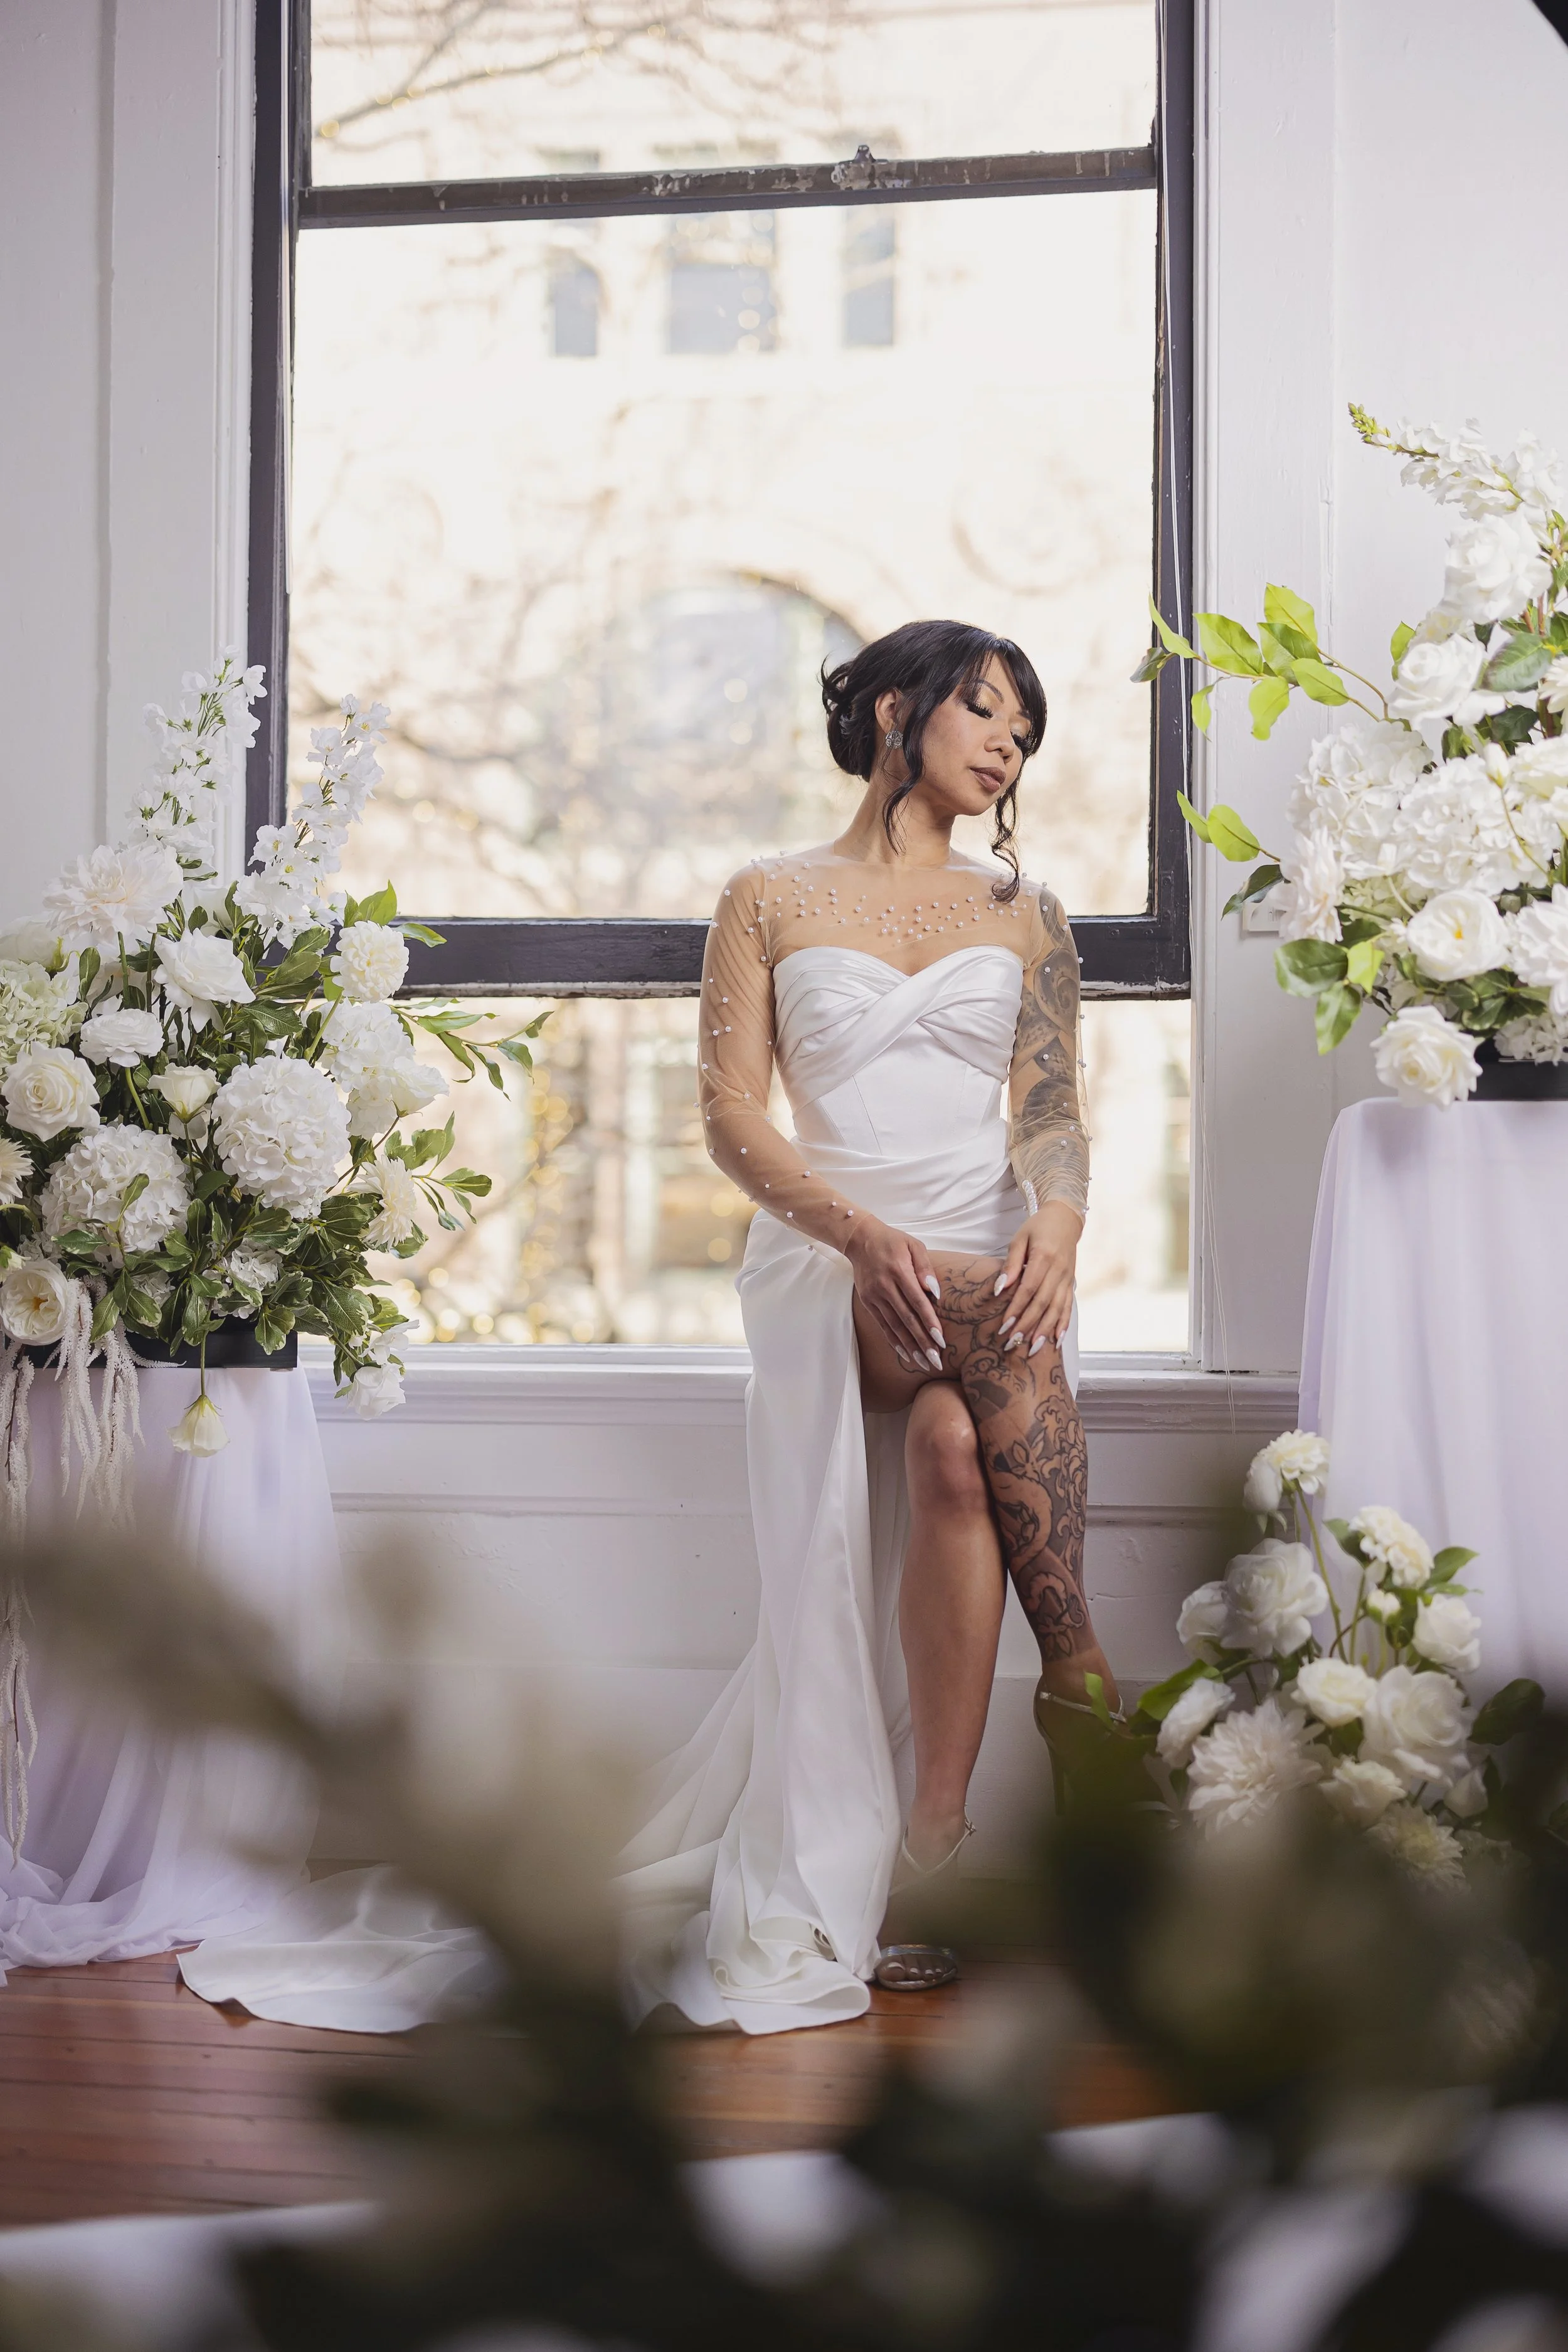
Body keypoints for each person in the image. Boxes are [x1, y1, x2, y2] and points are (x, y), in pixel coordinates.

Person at [618, 619, 1118, 2035]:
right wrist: (854, 1232)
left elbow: (1049, 1118)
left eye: (1024, 725)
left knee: (961, 1448)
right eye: (983, 709)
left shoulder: (1027, 909)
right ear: (897, 709)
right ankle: (1082, 1682)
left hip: (984, 1264)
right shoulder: (766, 895)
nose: (1007, 741)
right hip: (830, 1264)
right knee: (970, 1324)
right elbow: (726, 1118)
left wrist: (1061, 1225)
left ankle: (933, 1851)